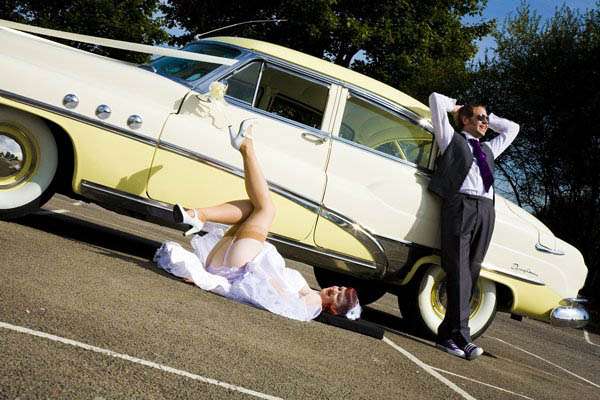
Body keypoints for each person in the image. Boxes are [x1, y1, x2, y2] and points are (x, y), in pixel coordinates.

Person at [154, 119, 361, 322]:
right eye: (340, 288)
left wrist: (244, 279)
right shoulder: (309, 292)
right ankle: (198, 215)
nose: (335, 289)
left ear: (334, 309)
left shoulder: (313, 303)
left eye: (338, 296)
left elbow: (283, 303)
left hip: (240, 267)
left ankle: (246, 148)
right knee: (255, 206)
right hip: (227, 264)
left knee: (267, 209)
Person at [428, 92, 519, 360]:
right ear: (465, 120)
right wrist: (458, 108)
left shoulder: (489, 149)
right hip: (461, 206)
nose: (484, 123)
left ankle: (447, 336)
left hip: (486, 210)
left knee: (471, 272)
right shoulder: (450, 138)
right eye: (479, 118)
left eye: (486, 119)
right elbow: (435, 100)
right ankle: (462, 336)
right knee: (458, 271)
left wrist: (489, 117)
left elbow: (513, 128)